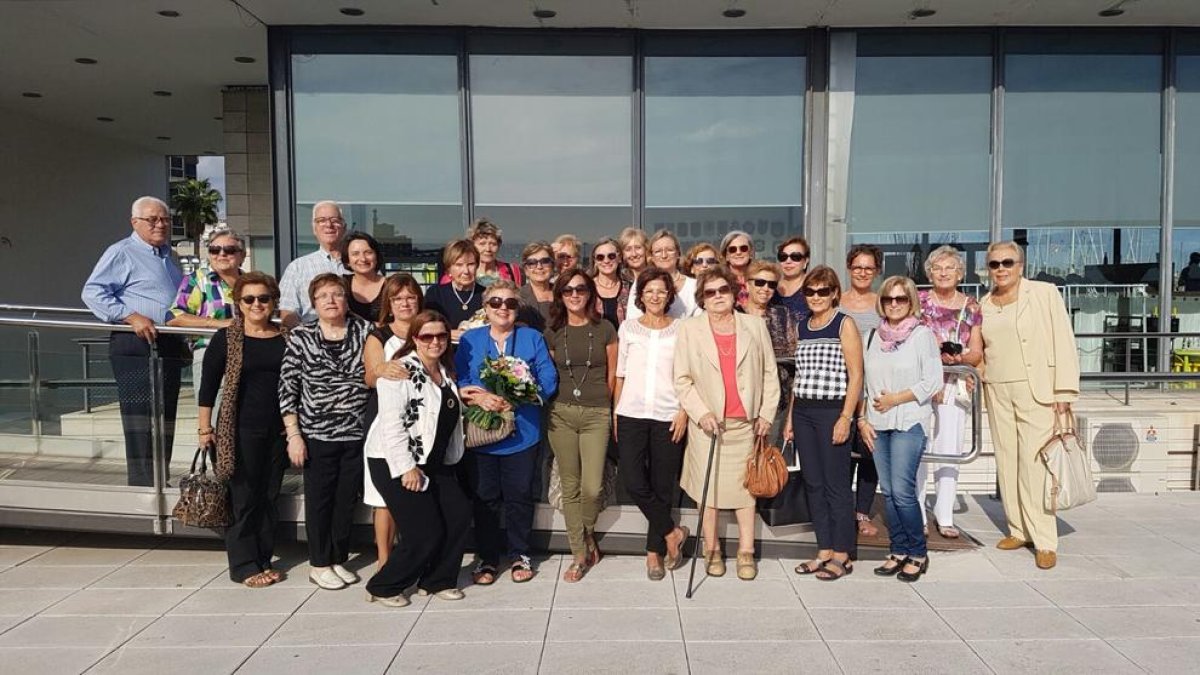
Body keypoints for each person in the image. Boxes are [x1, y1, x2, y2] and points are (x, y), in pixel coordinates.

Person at [675, 267, 780, 581]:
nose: (718, 296)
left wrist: (766, 413)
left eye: (723, 290)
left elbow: (770, 372)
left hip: (745, 424)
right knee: (707, 492)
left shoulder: (755, 325)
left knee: (746, 491)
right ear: (702, 299)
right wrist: (700, 412)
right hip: (708, 426)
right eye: (710, 292)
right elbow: (682, 379)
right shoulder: (689, 329)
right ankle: (712, 549)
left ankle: (746, 551)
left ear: (734, 293)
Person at [981, 241, 1079, 571]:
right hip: (997, 389)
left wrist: (1064, 391)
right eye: (994, 264)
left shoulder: (1044, 293)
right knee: (1007, 460)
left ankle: (1045, 539)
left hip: (1037, 390)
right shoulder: (985, 304)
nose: (1001, 269)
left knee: (1035, 464)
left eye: (1007, 262)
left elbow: (1063, 340)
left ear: (1020, 265)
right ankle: (1018, 529)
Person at [364, 310, 472, 606]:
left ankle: (438, 580)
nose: (435, 341)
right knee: (424, 531)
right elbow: (392, 425)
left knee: (459, 515)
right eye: (427, 336)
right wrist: (406, 468)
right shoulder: (399, 371)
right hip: (395, 461)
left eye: (441, 336)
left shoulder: (444, 372)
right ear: (415, 338)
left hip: (434, 462)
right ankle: (384, 585)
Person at [456, 281, 558, 584]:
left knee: (519, 495)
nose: (503, 308)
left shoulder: (532, 338)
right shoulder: (471, 339)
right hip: (483, 432)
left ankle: (519, 553)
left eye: (511, 303)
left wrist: (523, 394)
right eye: (496, 302)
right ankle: (487, 558)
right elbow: (459, 376)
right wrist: (478, 397)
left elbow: (548, 377)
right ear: (485, 308)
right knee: (485, 496)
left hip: (522, 432)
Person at [82, 196, 186, 487]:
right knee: (140, 416)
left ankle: (159, 479)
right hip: (135, 342)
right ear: (135, 222)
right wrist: (129, 316)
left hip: (168, 343)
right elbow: (92, 291)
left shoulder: (169, 255)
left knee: (165, 415)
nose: (160, 224)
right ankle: (142, 484)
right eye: (152, 219)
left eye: (165, 219)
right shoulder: (122, 252)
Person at [279, 273, 372, 590]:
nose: (331, 300)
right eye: (323, 296)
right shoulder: (301, 336)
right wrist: (293, 434)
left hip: (355, 433)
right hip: (316, 434)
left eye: (337, 294)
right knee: (320, 501)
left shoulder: (365, 331)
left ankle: (337, 557)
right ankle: (319, 563)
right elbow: (288, 387)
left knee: (346, 500)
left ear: (346, 299)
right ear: (313, 303)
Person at [197, 271, 287, 588]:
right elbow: (208, 386)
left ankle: (263, 557)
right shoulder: (228, 338)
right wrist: (204, 428)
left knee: (269, 496)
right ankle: (243, 565)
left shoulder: (286, 337)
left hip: (279, 430)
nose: (256, 304)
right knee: (244, 497)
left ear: (273, 301)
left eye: (263, 298)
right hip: (239, 429)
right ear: (239, 303)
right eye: (249, 299)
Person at [857, 276, 942, 583]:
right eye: (889, 299)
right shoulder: (871, 337)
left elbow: (933, 381)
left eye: (901, 299)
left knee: (903, 491)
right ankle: (898, 550)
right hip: (877, 424)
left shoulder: (922, 335)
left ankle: (917, 553)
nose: (894, 304)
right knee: (889, 491)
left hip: (908, 421)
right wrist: (862, 419)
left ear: (911, 302)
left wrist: (896, 398)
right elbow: (864, 384)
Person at [784, 265, 864, 581]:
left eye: (822, 291)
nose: (816, 296)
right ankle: (824, 549)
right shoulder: (802, 326)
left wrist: (846, 417)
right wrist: (790, 419)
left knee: (836, 485)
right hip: (804, 411)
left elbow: (856, 375)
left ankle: (842, 554)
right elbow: (799, 377)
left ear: (834, 294)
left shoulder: (844, 324)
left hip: (832, 411)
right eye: (810, 291)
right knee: (813, 483)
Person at [614, 268, 689, 581]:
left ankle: (653, 553)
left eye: (661, 291)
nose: (655, 296)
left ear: (669, 295)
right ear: (640, 296)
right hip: (631, 414)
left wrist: (684, 411)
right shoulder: (628, 328)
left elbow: (689, 374)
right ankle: (673, 533)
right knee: (634, 482)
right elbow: (620, 374)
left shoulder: (682, 329)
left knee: (661, 486)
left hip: (668, 415)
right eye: (649, 291)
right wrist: (616, 412)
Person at [544, 270, 618, 582]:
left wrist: (608, 409)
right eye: (568, 290)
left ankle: (587, 533)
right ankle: (578, 553)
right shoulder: (553, 331)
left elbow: (613, 374)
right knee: (570, 485)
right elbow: (551, 373)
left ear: (590, 293)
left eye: (581, 289)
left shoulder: (605, 328)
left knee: (592, 487)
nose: (574, 295)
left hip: (596, 413)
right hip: (561, 413)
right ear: (560, 296)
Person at [916, 246, 983, 540]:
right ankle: (916, 512)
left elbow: (977, 351)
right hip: (921, 382)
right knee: (917, 447)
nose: (943, 273)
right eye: (937, 268)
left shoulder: (971, 306)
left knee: (949, 448)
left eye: (949, 268)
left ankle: (944, 514)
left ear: (960, 273)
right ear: (929, 273)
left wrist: (959, 357)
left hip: (956, 382)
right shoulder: (917, 302)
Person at [362, 273, 424, 569]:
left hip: (423, 423)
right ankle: (384, 562)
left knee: (417, 491)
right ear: (389, 303)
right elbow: (369, 378)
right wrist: (382, 369)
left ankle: (414, 556)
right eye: (398, 298)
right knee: (385, 497)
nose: (405, 303)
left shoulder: (428, 330)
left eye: (410, 297)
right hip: (387, 421)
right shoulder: (379, 336)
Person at [167, 228, 244, 419]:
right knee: (215, 415)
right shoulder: (198, 280)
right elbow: (174, 317)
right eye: (215, 250)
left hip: (247, 353)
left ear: (241, 255)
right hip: (210, 352)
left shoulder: (250, 282)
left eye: (229, 250)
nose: (222, 254)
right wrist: (217, 323)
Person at [841, 244, 883, 540]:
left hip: (873, 389)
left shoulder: (884, 303)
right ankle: (843, 510)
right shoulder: (836, 301)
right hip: (841, 388)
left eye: (869, 268)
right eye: (858, 267)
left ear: (877, 271)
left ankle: (862, 513)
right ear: (849, 268)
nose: (863, 272)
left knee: (869, 453)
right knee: (842, 454)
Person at [742, 260, 796, 442]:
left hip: (778, 401)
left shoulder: (783, 315)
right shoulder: (735, 315)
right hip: (742, 400)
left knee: (771, 455)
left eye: (771, 284)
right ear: (747, 285)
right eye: (760, 282)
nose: (765, 288)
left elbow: (795, 360)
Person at [278, 201, 349, 327]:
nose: (329, 225)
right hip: (310, 336)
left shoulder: (360, 264)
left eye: (335, 220)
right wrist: (306, 336)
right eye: (321, 220)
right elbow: (287, 313)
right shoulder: (297, 268)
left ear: (344, 227)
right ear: (314, 228)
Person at [628, 230, 698, 321]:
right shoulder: (641, 282)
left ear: (678, 253)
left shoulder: (694, 286)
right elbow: (633, 319)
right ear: (651, 256)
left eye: (669, 250)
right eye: (658, 251)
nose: (664, 255)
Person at [424, 239, 485, 341]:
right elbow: (425, 326)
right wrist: (448, 333)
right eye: (459, 265)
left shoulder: (486, 295)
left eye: (471, 264)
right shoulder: (435, 294)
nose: (466, 271)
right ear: (449, 268)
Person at [439, 218, 523, 288]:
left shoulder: (513, 271)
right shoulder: (456, 274)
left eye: (493, 244)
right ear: (472, 245)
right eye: (482, 244)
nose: (488, 249)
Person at [341, 231, 386, 322]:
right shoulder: (340, 285)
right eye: (355, 254)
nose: (363, 259)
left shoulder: (391, 286)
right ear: (347, 260)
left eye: (368, 252)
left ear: (376, 257)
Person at [590, 237, 630, 328]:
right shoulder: (586, 288)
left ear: (619, 258)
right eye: (600, 257)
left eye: (611, 256)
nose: (606, 261)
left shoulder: (631, 289)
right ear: (595, 261)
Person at [517, 241, 555, 332]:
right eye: (532, 263)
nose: (539, 267)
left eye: (545, 261)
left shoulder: (564, 293)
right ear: (526, 270)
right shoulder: (518, 298)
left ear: (552, 266)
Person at [772, 236, 811, 321]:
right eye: (783, 257)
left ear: (805, 261)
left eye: (795, 257)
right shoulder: (770, 287)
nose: (788, 261)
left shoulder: (814, 287)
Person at [719, 230, 755, 308]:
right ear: (726, 256)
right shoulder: (719, 280)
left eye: (743, 248)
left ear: (750, 253)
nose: (738, 252)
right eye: (732, 249)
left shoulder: (760, 279)